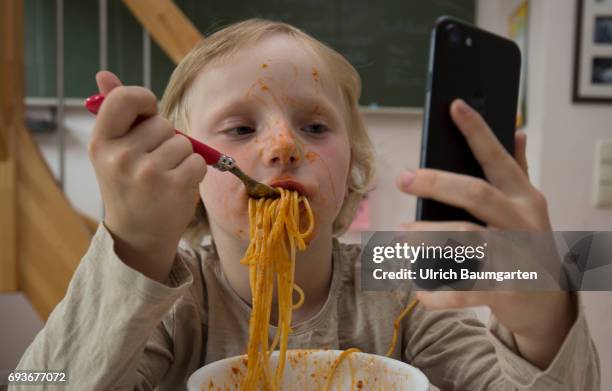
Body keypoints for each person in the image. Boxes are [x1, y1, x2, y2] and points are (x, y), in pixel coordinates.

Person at [12, 19, 599, 390]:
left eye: (315, 126)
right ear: (186, 169)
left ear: (353, 168)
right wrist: (134, 245)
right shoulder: (174, 302)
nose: (284, 146)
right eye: (240, 128)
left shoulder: (399, 284)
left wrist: (543, 310)